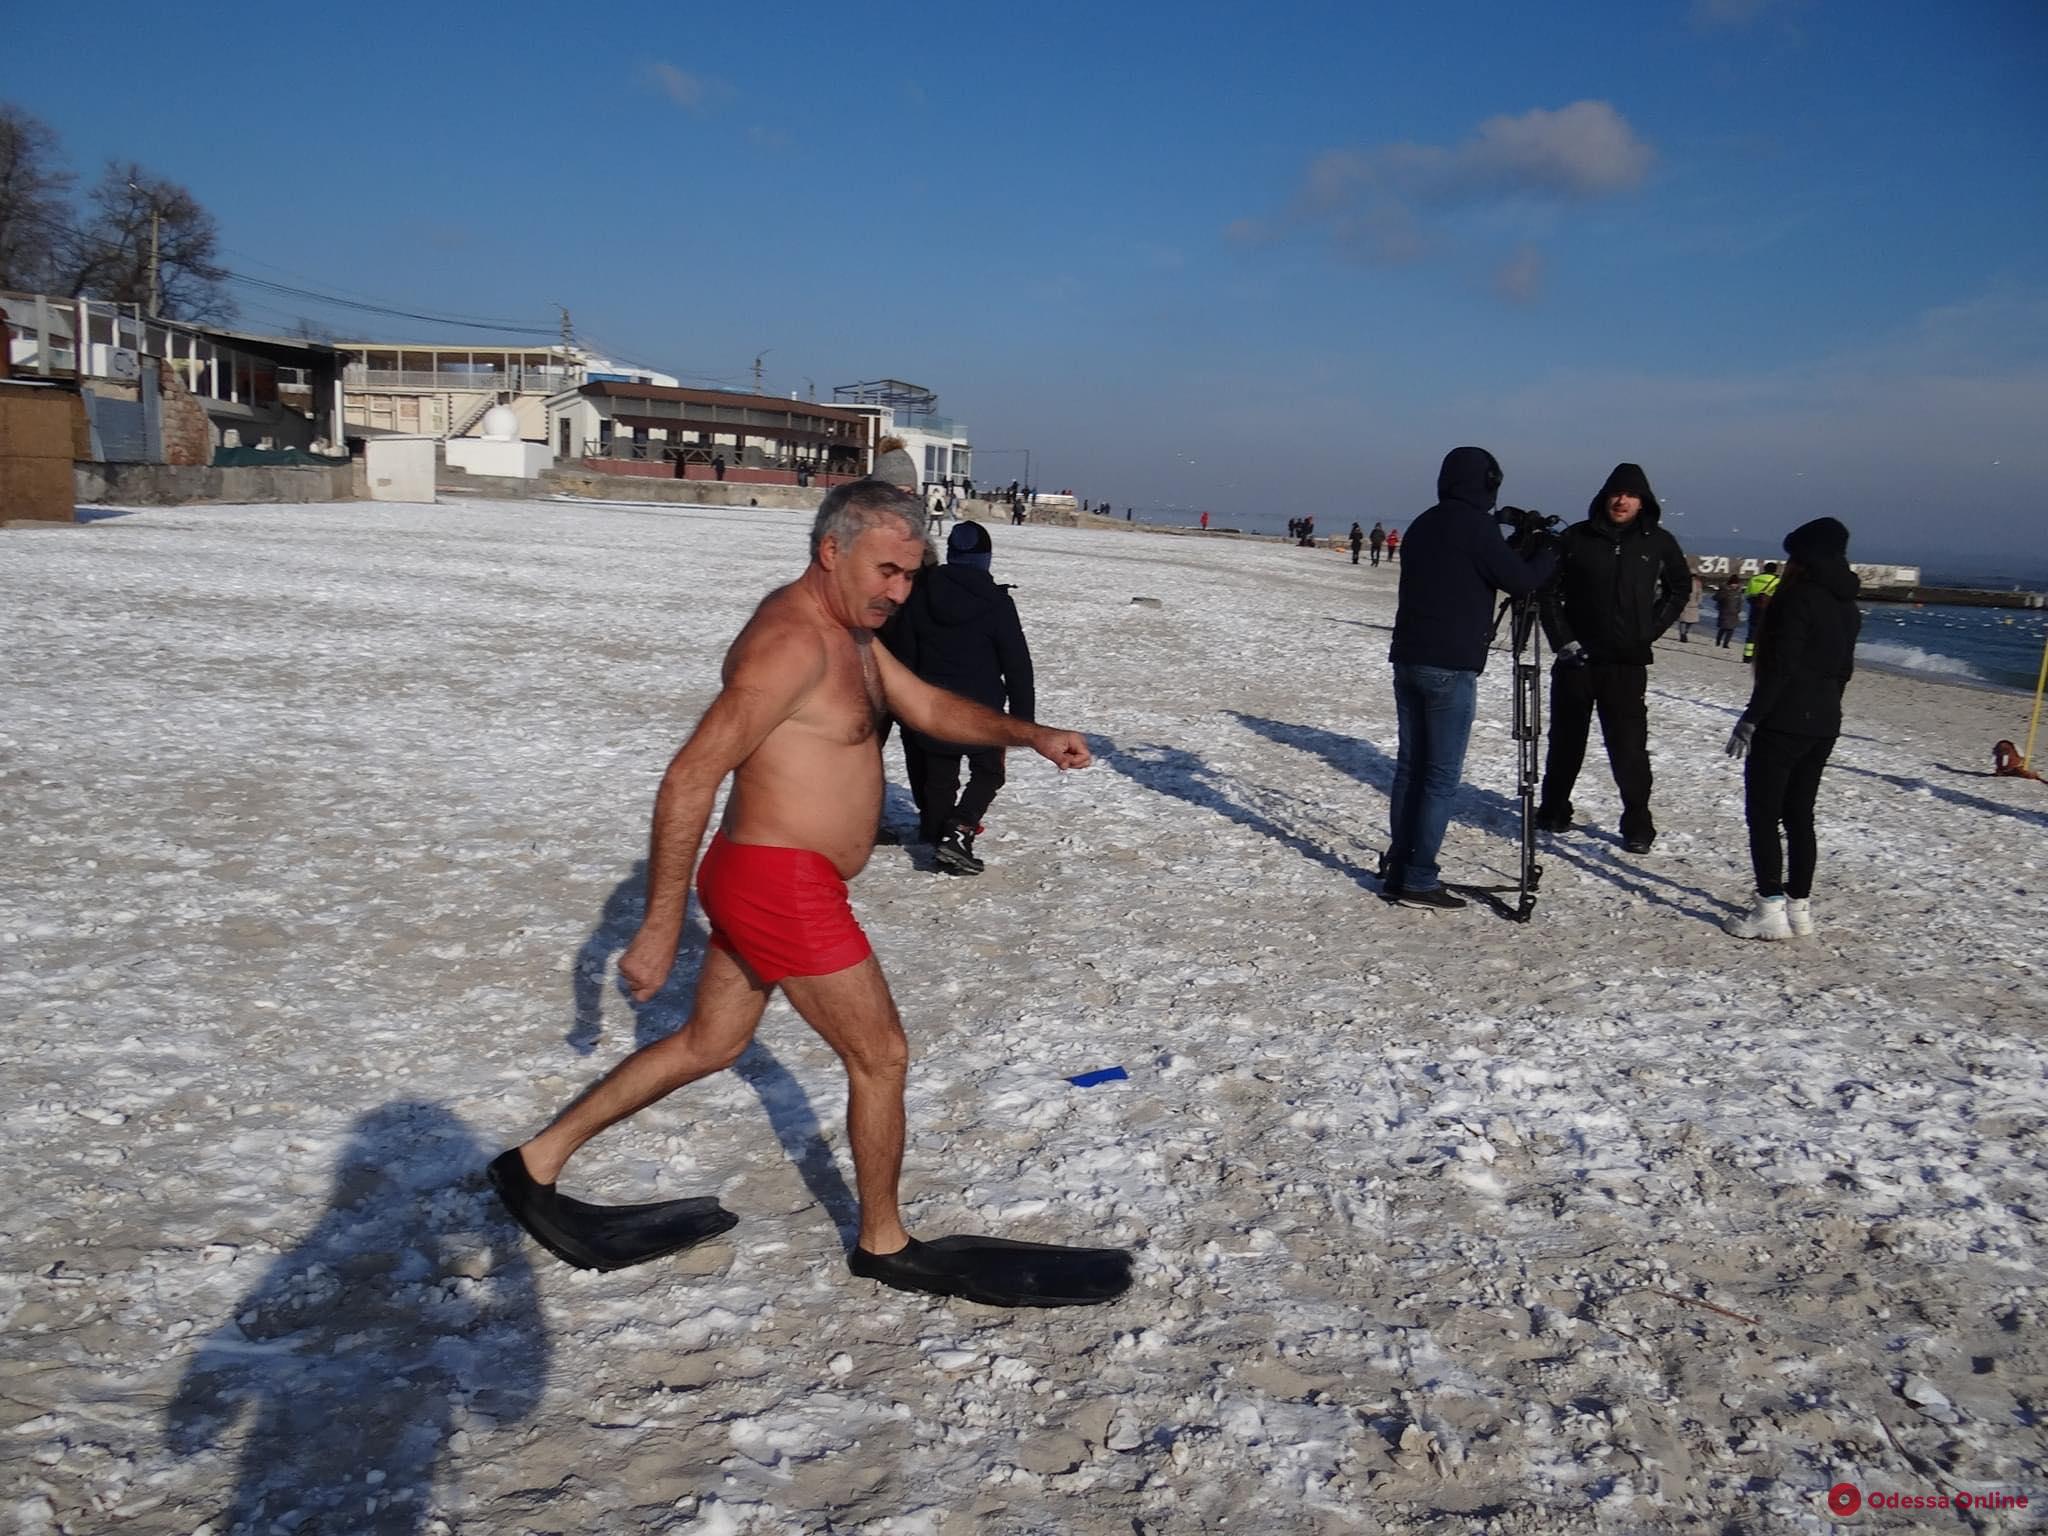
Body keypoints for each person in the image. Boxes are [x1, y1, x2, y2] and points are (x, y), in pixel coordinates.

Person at [489, 479, 1096, 1298]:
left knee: (711, 1045)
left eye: (909, 575)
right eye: (886, 571)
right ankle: (883, 1242)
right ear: (831, 552)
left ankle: (533, 1165)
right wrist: (661, 924)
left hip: (765, 874)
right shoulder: (791, 643)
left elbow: (925, 706)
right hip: (781, 880)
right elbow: (689, 778)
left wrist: (1030, 733)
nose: (898, 590)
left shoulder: (851, 635)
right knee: (880, 1056)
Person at [1382, 447, 1557, 910]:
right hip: (1450, 666)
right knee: (1439, 777)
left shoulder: (1424, 523)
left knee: (1409, 770)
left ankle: (1400, 865)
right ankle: (1418, 879)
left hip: (1409, 659)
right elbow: (1520, 581)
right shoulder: (1475, 526)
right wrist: (1550, 554)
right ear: (1487, 482)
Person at [1533, 462, 1691, 854]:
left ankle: (1637, 822)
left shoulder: (1659, 542)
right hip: (1577, 661)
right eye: (1616, 493)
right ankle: (1554, 808)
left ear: (1643, 501)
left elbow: (1679, 588)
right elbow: (1547, 593)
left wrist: (1648, 631)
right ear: (1605, 497)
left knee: (1628, 747)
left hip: (1627, 664)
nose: (1622, 501)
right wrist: (1564, 642)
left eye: (1631, 495)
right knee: (1566, 741)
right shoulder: (1576, 538)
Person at [1724, 518, 1860, 939]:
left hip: (1783, 721)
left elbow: (1779, 670)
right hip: (1824, 722)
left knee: (1763, 814)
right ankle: (1799, 907)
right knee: (1800, 814)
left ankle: (1769, 907)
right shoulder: (1847, 606)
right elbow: (1844, 671)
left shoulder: (1795, 598)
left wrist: (1751, 719)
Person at [885, 521, 1035, 874]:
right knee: (989, 773)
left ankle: (938, 834)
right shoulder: (997, 602)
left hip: (934, 710)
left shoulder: (921, 595)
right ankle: (960, 828)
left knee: (940, 778)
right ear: (986, 559)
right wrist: (1023, 721)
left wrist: (909, 705)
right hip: (982, 713)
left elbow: (906, 653)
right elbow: (1017, 664)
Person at [1743, 561, 1781, 662]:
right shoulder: (1777, 581)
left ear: (1764, 568)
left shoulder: (1754, 579)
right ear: (1775, 570)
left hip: (1754, 610)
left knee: (1752, 633)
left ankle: (1747, 656)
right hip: (1769, 611)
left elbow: (1747, 594)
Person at [1714, 577, 1744, 648]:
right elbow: (1716, 598)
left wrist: (1738, 610)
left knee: (1731, 629)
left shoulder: (1738, 592)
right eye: (1734, 583)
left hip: (1734, 613)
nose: (1735, 585)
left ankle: (1726, 644)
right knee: (1723, 628)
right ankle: (1718, 641)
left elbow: (1740, 602)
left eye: (1736, 584)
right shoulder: (1725, 590)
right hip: (1724, 612)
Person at [1677, 572, 1702, 641]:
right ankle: (1683, 635)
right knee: (1683, 621)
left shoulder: (1698, 583)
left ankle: (1684, 632)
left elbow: (1699, 594)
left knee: (1691, 621)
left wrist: (1698, 602)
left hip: (1693, 605)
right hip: (1685, 603)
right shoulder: (1683, 582)